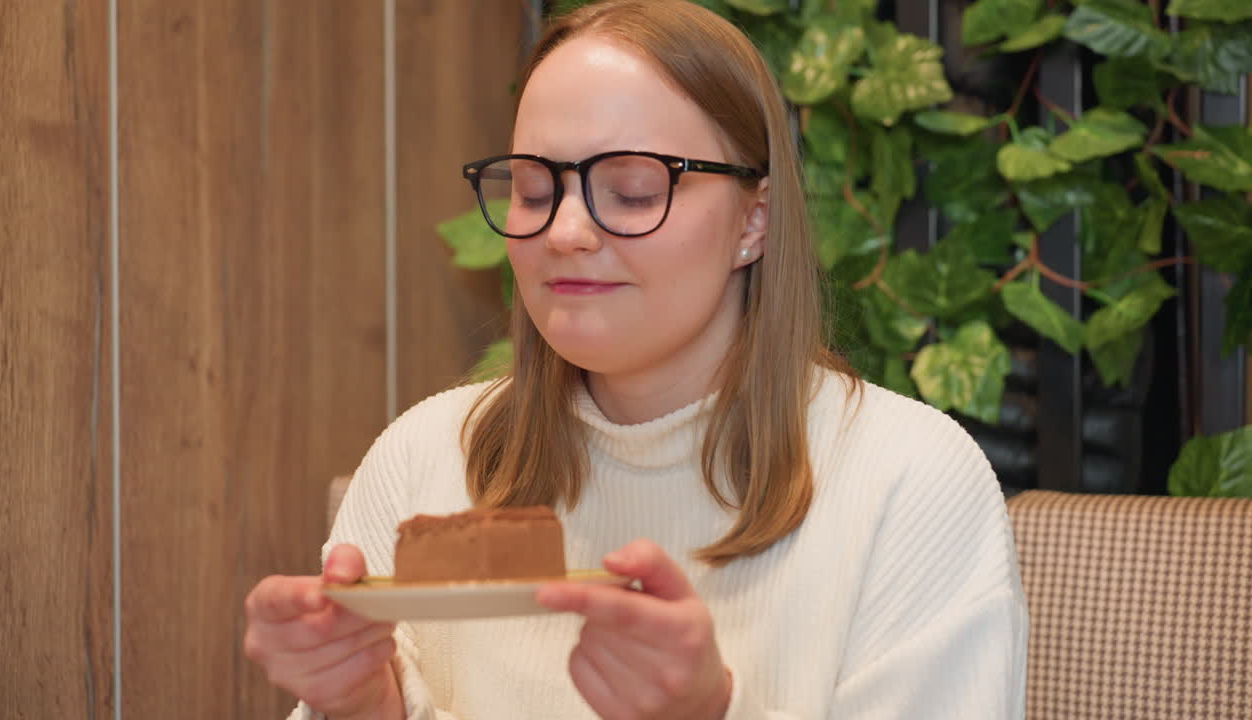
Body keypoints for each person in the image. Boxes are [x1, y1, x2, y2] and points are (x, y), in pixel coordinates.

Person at [243, 1, 1029, 718]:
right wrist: (361, 705)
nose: (566, 232)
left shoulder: (910, 481)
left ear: (753, 222)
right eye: (532, 187)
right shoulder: (424, 458)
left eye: (631, 189)